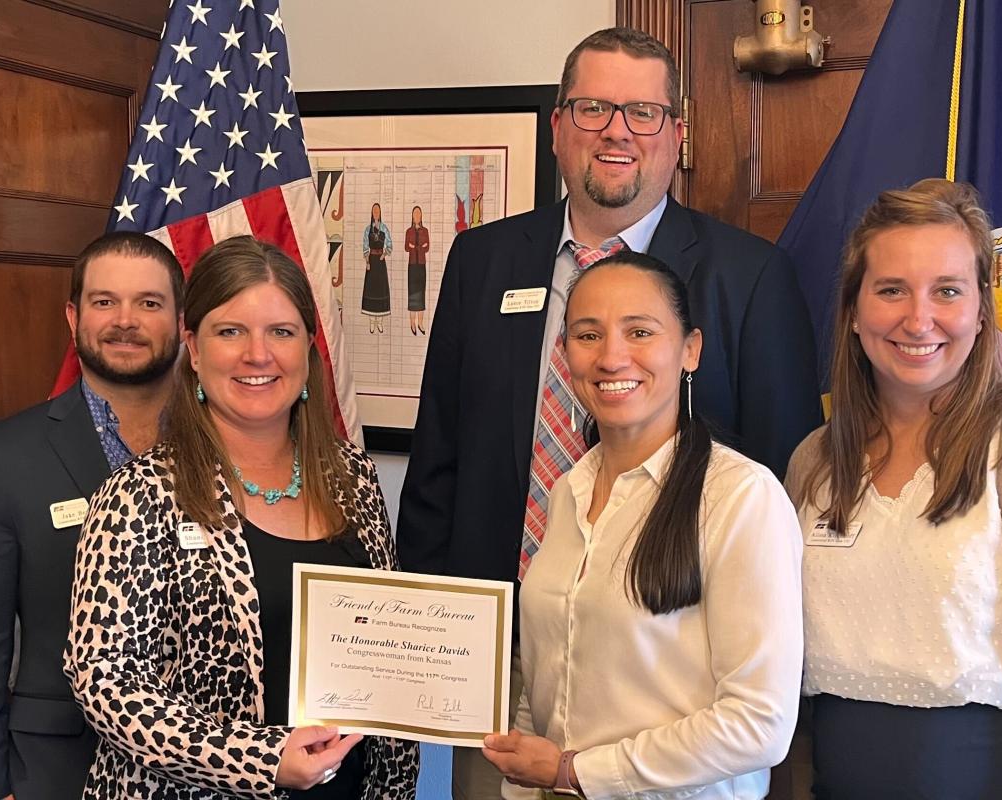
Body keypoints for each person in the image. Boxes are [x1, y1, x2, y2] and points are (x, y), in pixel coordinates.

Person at [397, 28, 820, 797]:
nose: (617, 131)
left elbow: (786, 477)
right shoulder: (482, 261)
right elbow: (438, 463)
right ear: (558, 126)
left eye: (642, 113)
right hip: (495, 667)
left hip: (665, 688)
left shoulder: (752, 277)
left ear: (677, 134)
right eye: (593, 109)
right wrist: (429, 637)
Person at [785, 179, 1002, 799]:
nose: (919, 320)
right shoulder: (814, 461)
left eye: (947, 291)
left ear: (981, 311)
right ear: (854, 312)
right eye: (891, 290)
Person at [64, 236, 419, 799]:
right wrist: (262, 760)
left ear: (308, 347)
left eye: (281, 332)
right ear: (194, 348)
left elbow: (389, 648)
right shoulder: (139, 494)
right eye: (230, 331)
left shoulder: (352, 477)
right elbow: (107, 683)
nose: (258, 354)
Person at [482, 252, 802, 799]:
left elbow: (759, 724)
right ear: (565, 352)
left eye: (639, 332)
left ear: (690, 349)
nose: (611, 357)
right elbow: (547, 679)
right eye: (588, 335)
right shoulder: (567, 493)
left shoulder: (740, 497)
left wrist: (576, 772)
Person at [0, 232, 183, 800]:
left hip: (209, 769)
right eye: (104, 301)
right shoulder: (6, 455)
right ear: (73, 318)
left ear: (181, 322)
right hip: (57, 771)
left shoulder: (229, 445)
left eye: (149, 302)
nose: (125, 320)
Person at [361, 203, 392, 334]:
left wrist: (384, 254)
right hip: (372, 263)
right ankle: (371, 322)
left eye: (377, 210)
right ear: (371, 212)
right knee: (371, 290)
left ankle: (379, 322)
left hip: (380, 263)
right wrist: (367, 262)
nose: (376, 213)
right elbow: (365, 246)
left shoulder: (384, 228)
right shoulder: (368, 229)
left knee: (381, 290)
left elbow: (389, 244)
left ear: (380, 213)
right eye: (374, 210)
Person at [404, 205, 429, 335]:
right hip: (412, 265)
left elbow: (427, 247)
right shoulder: (409, 231)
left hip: (422, 265)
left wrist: (414, 247)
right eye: (415, 213)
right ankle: (412, 323)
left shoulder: (425, 231)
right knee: (412, 293)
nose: (417, 215)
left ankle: (420, 323)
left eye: (419, 213)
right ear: (412, 216)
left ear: (421, 216)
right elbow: (406, 247)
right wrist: (419, 247)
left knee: (421, 293)